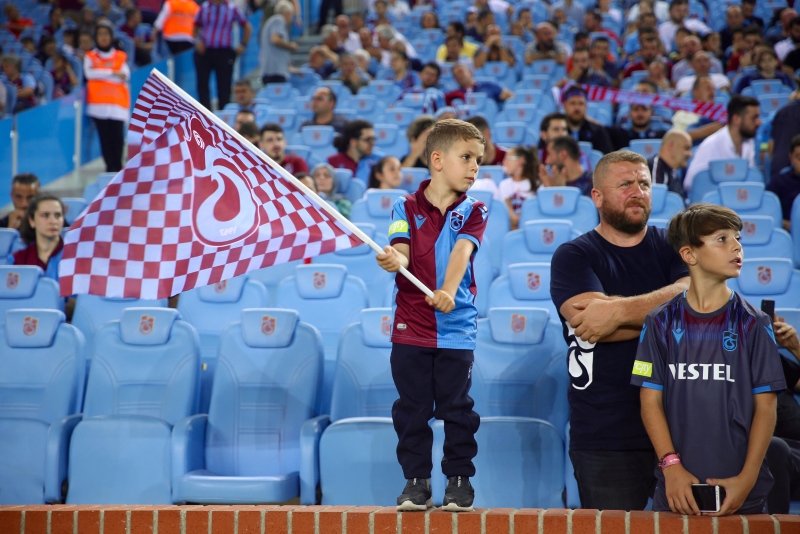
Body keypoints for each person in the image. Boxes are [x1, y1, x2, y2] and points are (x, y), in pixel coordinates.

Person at [550, 150, 690, 510]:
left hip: (682, 427)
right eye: (625, 183)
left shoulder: (674, 244)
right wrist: (668, 317)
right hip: (605, 432)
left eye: (644, 183)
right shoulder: (573, 255)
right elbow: (591, 326)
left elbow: (696, 301)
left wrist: (617, 311)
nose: (638, 191)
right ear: (597, 196)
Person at [633, 203, 785, 515]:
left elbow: (766, 407)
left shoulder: (754, 323)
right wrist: (671, 466)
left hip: (742, 492)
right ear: (689, 255)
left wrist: (747, 478)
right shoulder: (659, 322)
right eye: (722, 239)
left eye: (738, 238)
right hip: (676, 489)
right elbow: (649, 400)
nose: (736, 247)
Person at [375, 118, 487, 513]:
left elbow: (462, 252)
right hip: (410, 328)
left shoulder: (475, 209)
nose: (475, 167)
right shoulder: (403, 206)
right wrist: (394, 259)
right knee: (412, 409)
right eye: (468, 158)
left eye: (479, 160)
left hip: (456, 327)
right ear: (437, 160)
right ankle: (416, 482)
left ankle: (459, 481)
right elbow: (401, 248)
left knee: (458, 408)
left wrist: (448, 291)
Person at [684, 96, 761, 195]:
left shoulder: (749, 143)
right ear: (736, 119)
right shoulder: (710, 145)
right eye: (754, 118)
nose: (759, 122)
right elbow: (690, 184)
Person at [84, 23, 130, 173]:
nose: (103, 37)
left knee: (118, 139)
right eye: (100, 34)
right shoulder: (90, 56)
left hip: (118, 106)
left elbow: (125, 75)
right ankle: (110, 169)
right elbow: (89, 74)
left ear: (111, 37)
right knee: (105, 140)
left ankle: (118, 169)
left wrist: (101, 73)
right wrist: (112, 73)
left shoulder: (120, 55)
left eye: (106, 34)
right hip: (98, 107)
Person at [193, 0, 251, 110]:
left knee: (224, 85)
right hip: (205, 51)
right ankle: (204, 112)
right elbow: (195, 27)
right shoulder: (204, 8)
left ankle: (224, 113)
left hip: (224, 51)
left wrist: (243, 45)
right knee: (202, 84)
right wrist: (197, 41)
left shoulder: (232, 9)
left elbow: (247, 26)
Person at [12, 195, 66, 282]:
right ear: (32, 221)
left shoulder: (74, 256)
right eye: (45, 215)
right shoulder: (19, 259)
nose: (53, 221)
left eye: (58, 215)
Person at [561, 86, 615, 155]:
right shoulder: (557, 129)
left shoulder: (598, 131)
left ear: (586, 106)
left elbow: (607, 157)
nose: (577, 108)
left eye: (581, 103)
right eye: (572, 103)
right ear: (565, 106)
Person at [497, 146, 539, 230]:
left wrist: (509, 207)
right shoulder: (503, 185)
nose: (504, 162)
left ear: (521, 160)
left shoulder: (536, 185)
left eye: (508, 158)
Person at [259, 0, 297, 85]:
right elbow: (275, 39)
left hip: (272, 71)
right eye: (291, 15)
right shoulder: (278, 20)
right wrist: (291, 46)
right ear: (287, 13)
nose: (291, 19)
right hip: (275, 72)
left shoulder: (272, 22)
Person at [768, 133, 800, 230]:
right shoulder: (777, 183)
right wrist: (790, 225)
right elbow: (768, 214)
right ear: (791, 158)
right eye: (799, 157)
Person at [649, 129, 693, 199]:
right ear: (671, 146)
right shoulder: (656, 167)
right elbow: (655, 203)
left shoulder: (673, 171)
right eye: (686, 148)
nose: (690, 154)